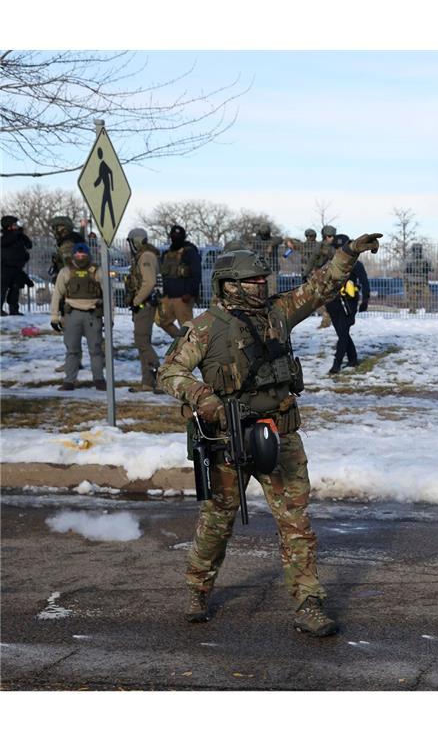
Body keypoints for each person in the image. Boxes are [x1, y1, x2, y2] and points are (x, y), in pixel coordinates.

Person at [157, 233, 383, 636]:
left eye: (264, 280)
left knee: (297, 524)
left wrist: (348, 254)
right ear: (229, 285)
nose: (262, 286)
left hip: (280, 434)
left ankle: (308, 603)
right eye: (253, 281)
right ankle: (197, 588)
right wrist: (203, 398)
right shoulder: (206, 327)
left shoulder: (279, 312)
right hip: (229, 440)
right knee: (217, 521)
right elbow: (170, 372)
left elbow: (321, 286)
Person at [49, 241, 107, 392]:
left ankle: (99, 380)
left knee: (95, 350)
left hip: (93, 314)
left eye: (83, 254)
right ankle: (69, 381)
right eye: (78, 254)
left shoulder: (97, 271)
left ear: (88, 255)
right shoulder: (66, 272)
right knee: (72, 350)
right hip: (72, 314)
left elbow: (108, 294)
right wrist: (54, 316)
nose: (80, 257)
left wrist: (110, 317)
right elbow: (57, 294)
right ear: (73, 255)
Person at [325, 234, 370, 374]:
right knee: (341, 333)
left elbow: (365, 283)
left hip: (348, 303)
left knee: (343, 333)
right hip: (332, 302)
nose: (339, 250)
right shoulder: (330, 263)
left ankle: (337, 364)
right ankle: (353, 358)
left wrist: (365, 301)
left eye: (341, 247)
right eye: (337, 248)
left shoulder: (356, 264)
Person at [124, 228, 162, 393]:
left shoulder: (146, 256)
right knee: (142, 343)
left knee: (142, 342)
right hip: (142, 304)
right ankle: (147, 382)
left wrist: (137, 300)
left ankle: (160, 378)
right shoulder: (143, 256)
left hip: (144, 305)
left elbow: (149, 282)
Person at [157, 224, 201, 339]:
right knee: (162, 321)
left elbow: (196, 275)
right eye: (173, 235)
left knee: (187, 330)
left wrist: (190, 293)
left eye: (178, 235)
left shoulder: (190, 252)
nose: (175, 237)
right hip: (168, 296)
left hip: (183, 298)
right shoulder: (167, 254)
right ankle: (180, 342)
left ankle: (190, 347)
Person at [1, 215, 33, 316]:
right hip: (5, 268)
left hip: (17, 267)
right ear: (9, 226)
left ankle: (14, 309)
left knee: (15, 289)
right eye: (14, 225)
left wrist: (21, 234)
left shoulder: (19, 236)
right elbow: (5, 242)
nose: (16, 226)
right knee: (2, 289)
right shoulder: (4, 236)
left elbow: (29, 245)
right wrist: (16, 234)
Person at [48, 215, 86, 281]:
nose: (54, 232)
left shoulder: (67, 246)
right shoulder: (74, 240)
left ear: (63, 230)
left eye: (55, 228)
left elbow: (71, 272)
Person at [402, 242, 432, 312]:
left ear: (421, 250)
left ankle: (428, 310)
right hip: (412, 282)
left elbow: (432, 268)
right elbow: (403, 269)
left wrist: (427, 267)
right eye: (416, 249)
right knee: (412, 297)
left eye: (419, 249)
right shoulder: (409, 259)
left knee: (426, 296)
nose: (417, 251)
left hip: (423, 281)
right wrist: (408, 268)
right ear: (413, 250)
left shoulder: (425, 259)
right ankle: (412, 310)